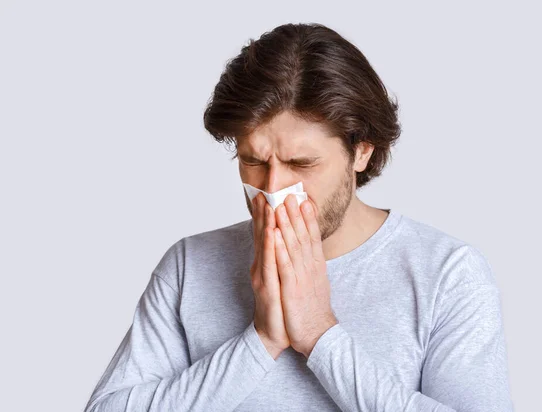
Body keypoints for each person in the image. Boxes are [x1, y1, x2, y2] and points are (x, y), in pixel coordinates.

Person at [84, 22, 513, 412]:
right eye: (253, 161)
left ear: (361, 151)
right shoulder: (189, 264)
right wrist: (260, 341)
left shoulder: (447, 273)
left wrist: (320, 336)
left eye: (302, 164)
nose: (272, 190)